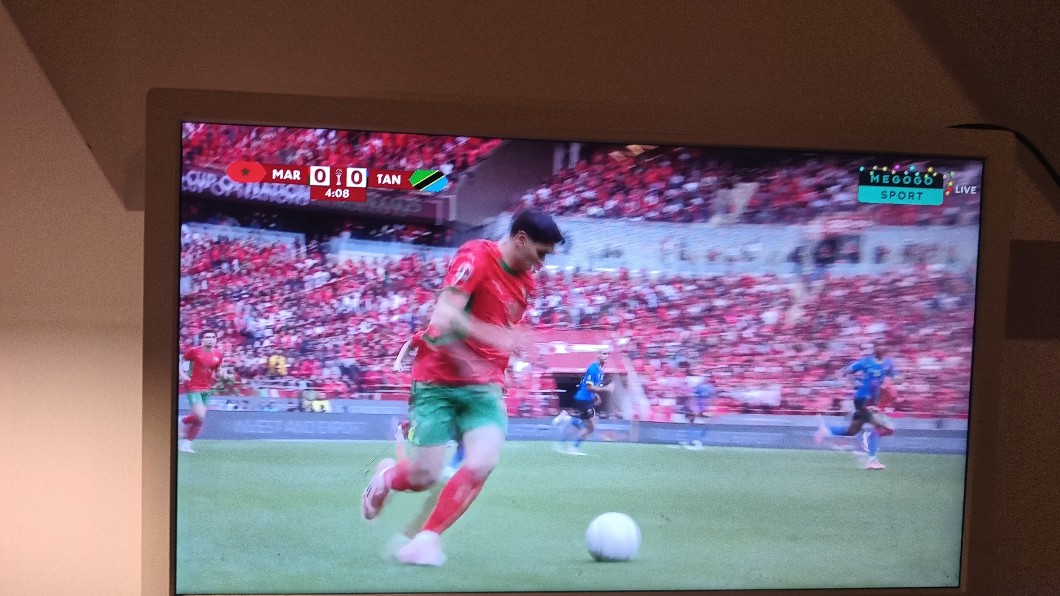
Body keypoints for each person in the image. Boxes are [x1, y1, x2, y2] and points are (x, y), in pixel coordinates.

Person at [360, 209, 563, 566]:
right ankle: (386, 477)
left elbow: (501, 328)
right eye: (540, 253)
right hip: (437, 380)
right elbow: (444, 317)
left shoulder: (526, 283)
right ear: (520, 239)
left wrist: (510, 345)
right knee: (423, 476)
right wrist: (494, 339)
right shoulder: (475, 256)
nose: (542, 263)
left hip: (484, 387)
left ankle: (425, 540)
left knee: (483, 461)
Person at [815, 345, 897, 469]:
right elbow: (847, 371)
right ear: (875, 350)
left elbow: (895, 378)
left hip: (870, 401)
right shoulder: (866, 362)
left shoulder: (888, 363)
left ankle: (826, 428)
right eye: (879, 347)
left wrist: (891, 382)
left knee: (852, 430)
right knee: (881, 427)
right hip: (864, 400)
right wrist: (855, 382)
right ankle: (871, 458)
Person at [553, 349, 610, 455]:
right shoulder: (593, 368)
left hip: (587, 399)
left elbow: (588, 384)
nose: (606, 356)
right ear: (598, 355)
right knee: (591, 427)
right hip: (584, 400)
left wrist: (595, 395)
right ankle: (573, 445)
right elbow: (588, 387)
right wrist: (606, 389)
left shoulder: (600, 370)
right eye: (604, 353)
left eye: (607, 354)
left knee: (586, 426)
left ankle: (568, 421)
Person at [177, 329, 225, 453]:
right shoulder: (194, 351)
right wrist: (182, 375)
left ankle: (186, 445)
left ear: (216, 339)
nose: (210, 339)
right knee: (200, 415)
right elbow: (181, 360)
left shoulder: (218, 355)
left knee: (199, 419)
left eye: (212, 337)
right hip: (193, 386)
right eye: (207, 337)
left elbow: (217, 370)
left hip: (206, 388)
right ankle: (182, 422)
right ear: (202, 339)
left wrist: (221, 376)